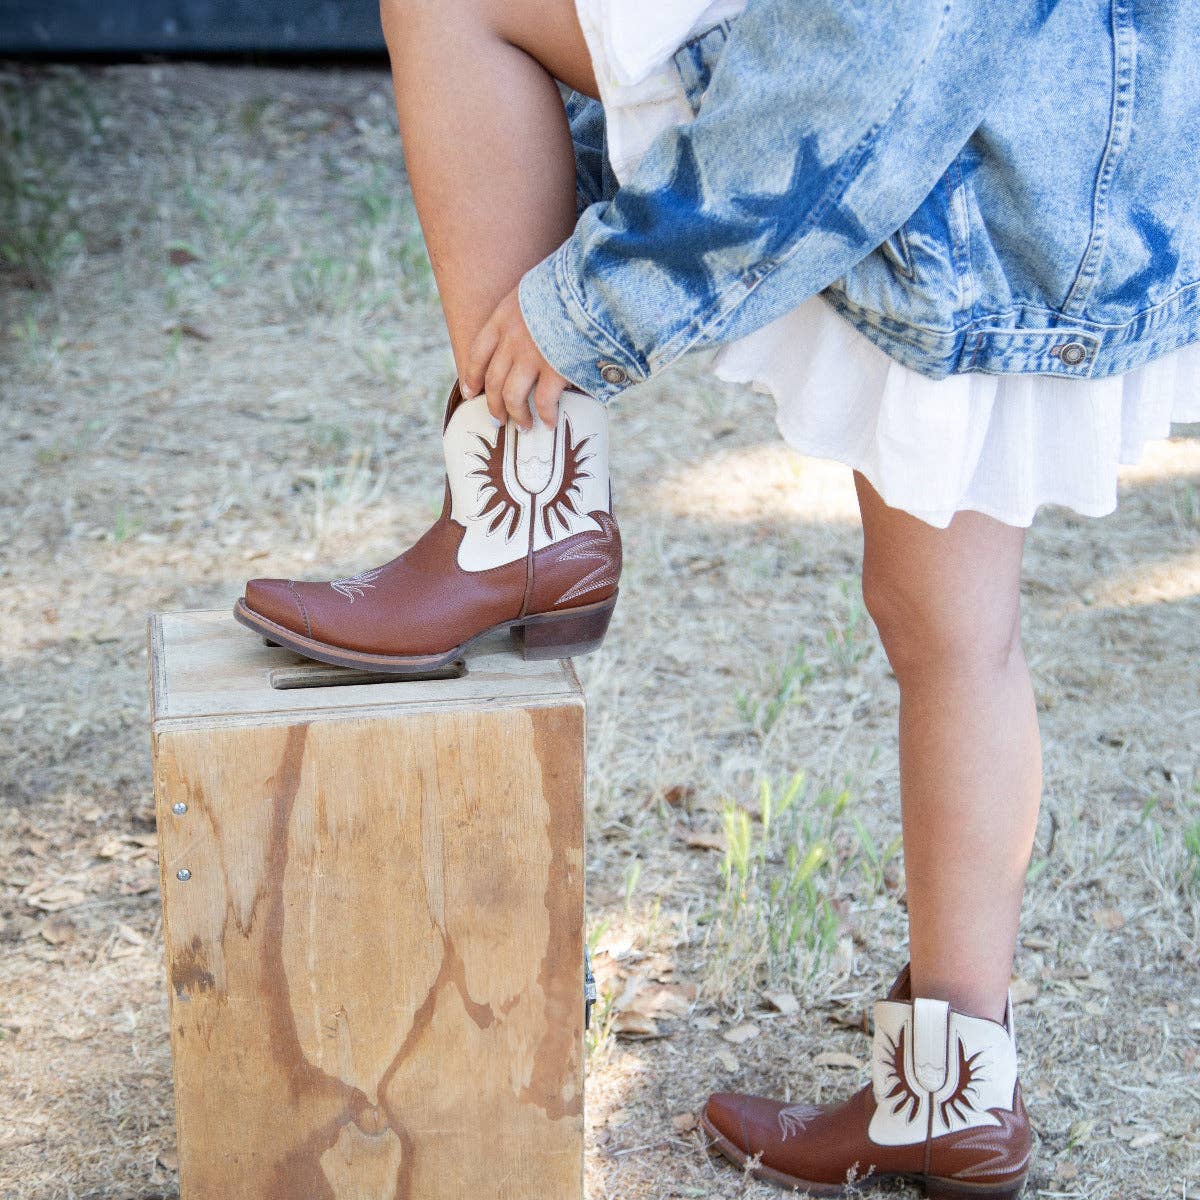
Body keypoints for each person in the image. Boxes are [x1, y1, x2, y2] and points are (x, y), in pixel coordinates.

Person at [235, 2, 1200, 1195]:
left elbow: (871, 61)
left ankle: (525, 507)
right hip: (1079, 153)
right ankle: (955, 1088)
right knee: (955, 635)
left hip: (958, 153)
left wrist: (591, 309)